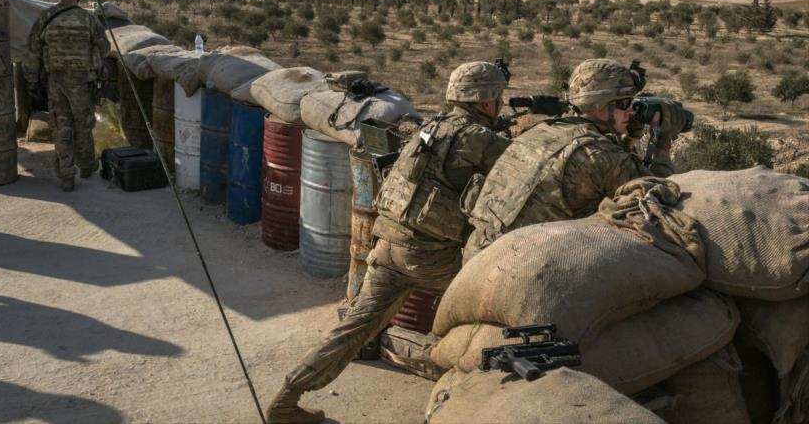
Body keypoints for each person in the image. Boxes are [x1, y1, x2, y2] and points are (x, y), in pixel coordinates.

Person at [265, 62, 512, 424]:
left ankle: (287, 398)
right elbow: (514, 175)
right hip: (432, 257)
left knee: (353, 328)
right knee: (493, 310)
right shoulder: (482, 139)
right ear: (487, 101)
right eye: (498, 97)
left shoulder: (432, 128)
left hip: (387, 244)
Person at [463, 58, 688, 261]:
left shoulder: (539, 131)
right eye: (624, 103)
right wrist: (663, 140)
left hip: (476, 257)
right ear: (599, 105)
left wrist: (627, 139)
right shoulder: (598, 154)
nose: (630, 111)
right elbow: (660, 201)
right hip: (518, 268)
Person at [24, 0, 109, 192]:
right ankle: (87, 166)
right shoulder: (88, 19)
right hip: (81, 81)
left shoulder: (46, 17)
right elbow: (104, 47)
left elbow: (32, 54)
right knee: (83, 124)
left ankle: (66, 175)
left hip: (55, 80)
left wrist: (32, 83)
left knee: (61, 124)